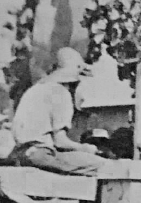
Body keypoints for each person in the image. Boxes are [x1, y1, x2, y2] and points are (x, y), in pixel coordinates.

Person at [6, 48, 115, 176]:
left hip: (19, 153)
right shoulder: (61, 93)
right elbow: (60, 141)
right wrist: (86, 148)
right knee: (105, 167)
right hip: (40, 155)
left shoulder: (36, 89)